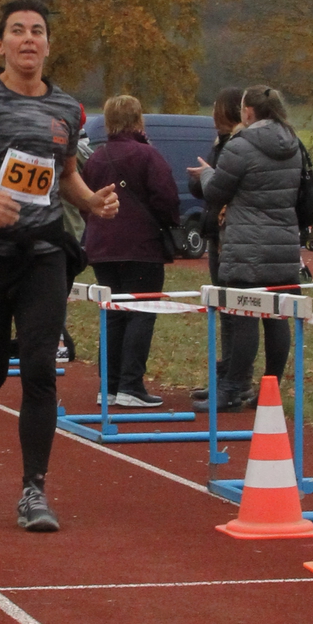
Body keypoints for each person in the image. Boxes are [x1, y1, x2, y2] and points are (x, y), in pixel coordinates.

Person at [0, 0, 118, 532]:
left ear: (48, 45)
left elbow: (66, 174)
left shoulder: (66, 108)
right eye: (17, 30)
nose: (28, 38)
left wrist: (92, 201)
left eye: (37, 30)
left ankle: (34, 491)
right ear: (1, 44)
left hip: (43, 254)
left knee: (38, 368)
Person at [202, 86, 303, 409]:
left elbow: (216, 192)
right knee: (276, 318)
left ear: (248, 112)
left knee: (244, 315)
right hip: (284, 243)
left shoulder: (240, 146)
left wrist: (205, 174)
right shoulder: (294, 144)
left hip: (247, 242)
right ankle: (270, 390)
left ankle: (233, 388)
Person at [81, 94, 181, 409]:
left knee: (113, 314)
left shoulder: (95, 158)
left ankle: (109, 386)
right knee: (141, 312)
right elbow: (167, 198)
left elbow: (85, 200)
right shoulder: (148, 155)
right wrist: (168, 223)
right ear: (138, 120)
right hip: (141, 246)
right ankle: (130, 384)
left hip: (102, 245)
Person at [186, 87, 243, 403]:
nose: (211, 115)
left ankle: (235, 380)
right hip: (214, 229)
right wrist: (201, 178)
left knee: (234, 311)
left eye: (216, 109)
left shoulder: (237, 145)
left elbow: (222, 187)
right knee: (223, 309)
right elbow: (203, 187)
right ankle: (225, 376)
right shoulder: (219, 143)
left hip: (229, 232)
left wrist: (209, 178)